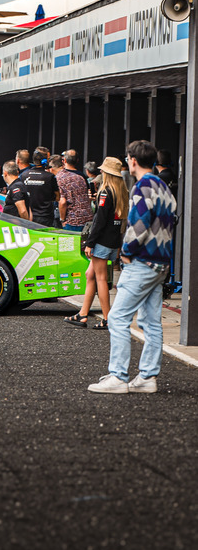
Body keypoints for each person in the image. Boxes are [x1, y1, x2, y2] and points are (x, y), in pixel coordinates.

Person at [88, 140, 176, 394]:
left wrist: (125, 252)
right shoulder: (163, 186)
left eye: (128, 159)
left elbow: (139, 225)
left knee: (117, 317)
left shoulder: (142, 187)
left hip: (142, 262)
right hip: (160, 262)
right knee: (151, 321)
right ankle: (147, 377)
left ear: (133, 161)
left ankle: (118, 376)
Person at [66, 157, 127, 330]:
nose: (100, 172)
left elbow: (99, 221)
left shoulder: (106, 192)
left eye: (103, 170)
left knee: (100, 278)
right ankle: (83, 314)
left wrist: (90, 243)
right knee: (90, 275)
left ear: (107, 173)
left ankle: (107, 319)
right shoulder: (121, 191)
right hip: (113, 241)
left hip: (101, 241)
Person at [53, 151, 93, 232]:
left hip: (72, 220)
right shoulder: (82, 177)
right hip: (87, 218)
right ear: (77, 160)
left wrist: (62, 220)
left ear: (64, 161)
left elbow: (63, 201)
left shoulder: (59, 177)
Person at [22, 149, 59, 227]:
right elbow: (57, 197)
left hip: (28, 216)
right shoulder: (50, 176)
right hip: (45, 217)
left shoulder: (24, 175)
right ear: (44, 161)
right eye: (48, 158)